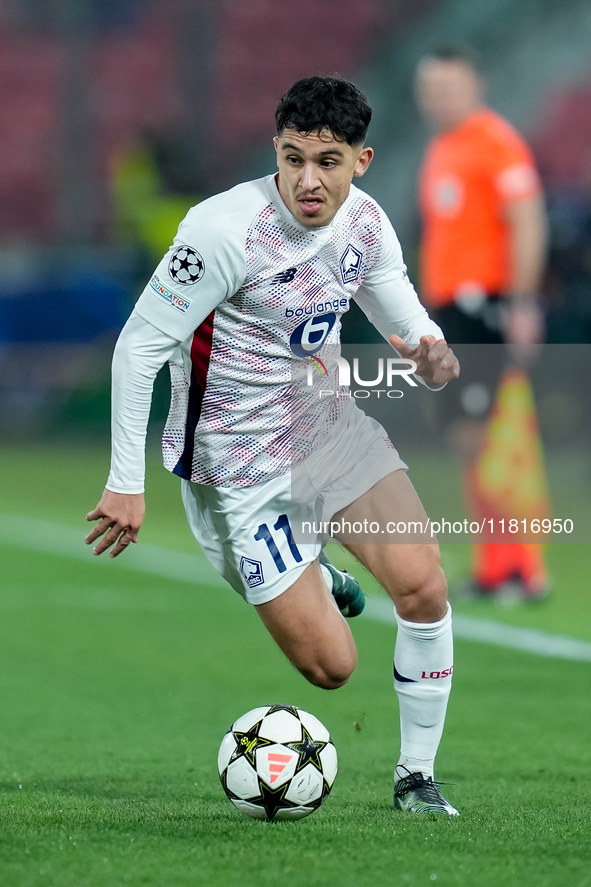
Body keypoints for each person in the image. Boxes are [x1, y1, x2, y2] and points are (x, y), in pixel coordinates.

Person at [85, 76, 461, 815]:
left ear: (361, 160)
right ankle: (314, 569)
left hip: (328, 431)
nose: (307, 179)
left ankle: (416, 777)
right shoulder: (222, 231)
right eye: (293, 158)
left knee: (423, 583)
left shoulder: (365, 222)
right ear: (275, 151)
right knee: (331, 667)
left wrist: (425, 343)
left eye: (327, 160)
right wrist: (125, 481)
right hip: (235, 468)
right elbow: (137, 350)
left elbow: (390, 293)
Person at [415, 46, 549, 599]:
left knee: (502, 435)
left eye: (449, 87)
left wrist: (521, 303)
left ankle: (523, 567)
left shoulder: (496, 143)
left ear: (474, 85)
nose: (438, 99)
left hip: (486, 307)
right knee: (472, 440)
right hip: (453, 312)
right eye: (431, 90)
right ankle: (496, 566)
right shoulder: (442, 148)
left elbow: (527, 221)